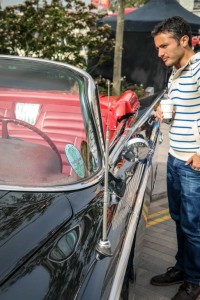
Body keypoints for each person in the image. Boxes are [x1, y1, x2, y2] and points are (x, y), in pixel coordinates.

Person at [150, 16, 200, 300]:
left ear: (184, 40)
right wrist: (163, 114)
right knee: (179, 219)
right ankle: (183, 268)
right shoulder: (176, 72)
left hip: (193, 164)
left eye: (164, 46)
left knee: (194, 226)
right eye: (157, 48)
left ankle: (195, 281)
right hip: (173, 157)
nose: (160, 53)